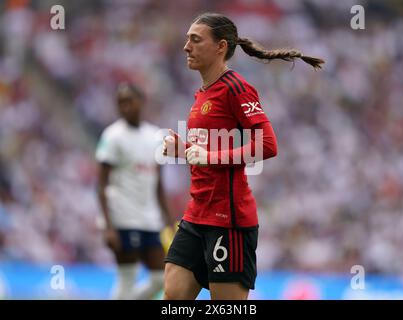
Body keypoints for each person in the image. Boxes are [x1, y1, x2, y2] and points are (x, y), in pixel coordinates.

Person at [162, 12, 324, 300]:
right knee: (172, 298)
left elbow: (268, 144)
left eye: (195, 40)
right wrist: (183, 150)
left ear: (220, 46)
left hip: (229, 221)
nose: (186, 46)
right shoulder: (202, 93)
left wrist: (207, 156)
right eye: (187, 39)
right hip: (196, 215)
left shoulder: (236, 88)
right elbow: (206, 150)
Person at [96, 83, 173, 300]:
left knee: (162, 278)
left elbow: (158, 184)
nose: (125, 107)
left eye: (129, 101)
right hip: (123, 218)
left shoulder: (155, 136)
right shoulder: (112, 136)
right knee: (127, 277)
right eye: (120, 103)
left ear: (142, 102)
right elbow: (101, 184)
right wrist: (108, 226)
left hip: (149, 219)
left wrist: (168, 220)